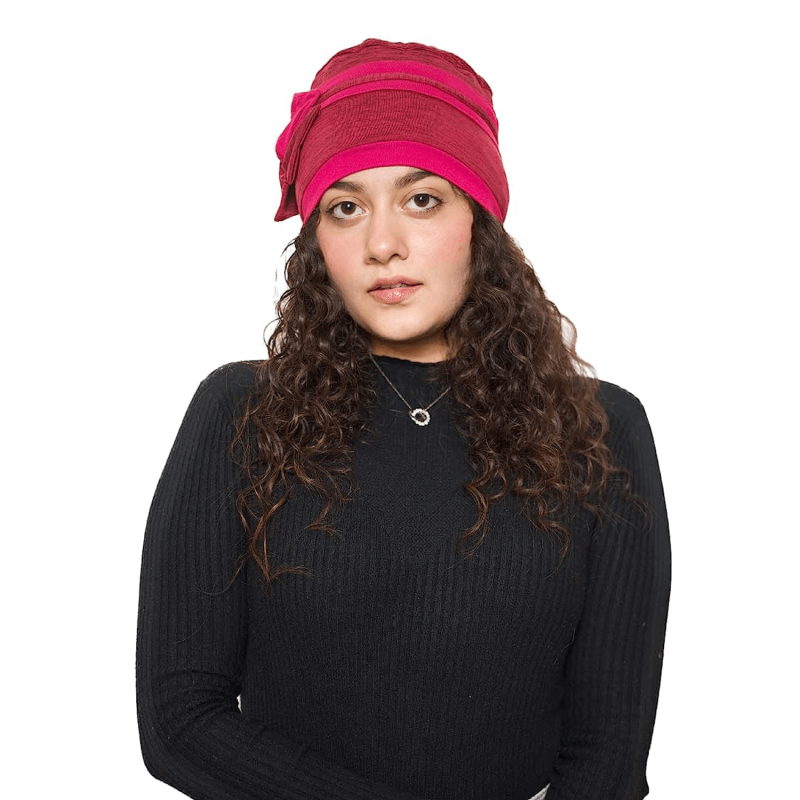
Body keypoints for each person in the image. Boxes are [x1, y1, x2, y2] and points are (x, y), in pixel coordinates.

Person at [136, 39, 670, 800]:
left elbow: (609, 757)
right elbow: (181, 723)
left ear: (479, 219)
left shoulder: (601, 429)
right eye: (345, 208)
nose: (382, 245)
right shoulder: (242, 412)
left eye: (422, 200)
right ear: (317, 243)